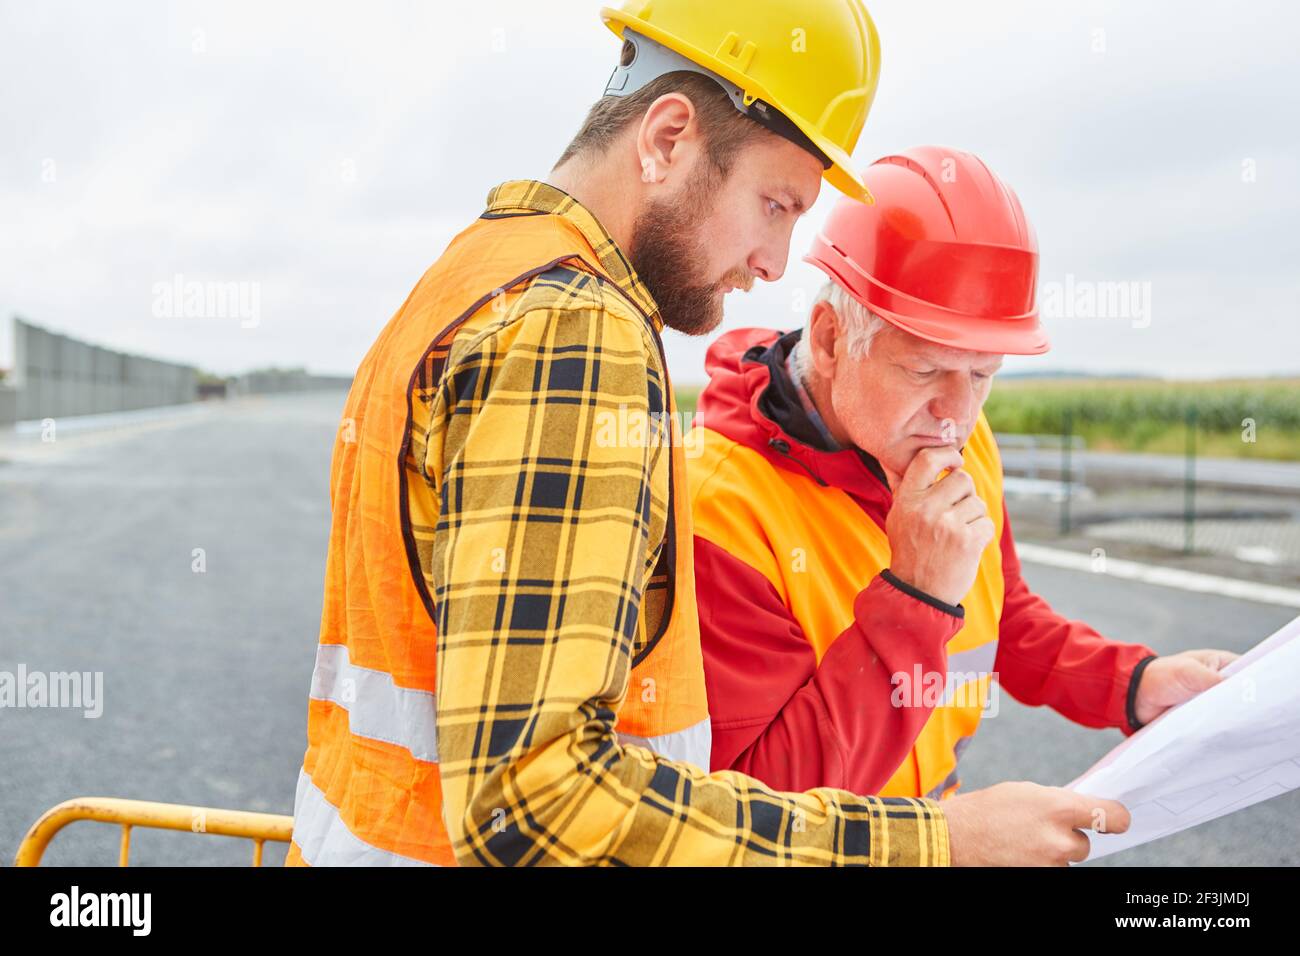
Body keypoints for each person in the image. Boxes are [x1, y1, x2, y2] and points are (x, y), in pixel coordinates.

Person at [287, 1, 1129, 867]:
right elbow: (536, 803)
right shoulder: (573, 331)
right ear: (667, 136)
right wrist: (934, 844)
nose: (774, 261)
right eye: (775, 203)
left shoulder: (473, 273)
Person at [686, 145, 1238, 860]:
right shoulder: (720, 507)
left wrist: (1132, 683)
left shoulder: (960, 446)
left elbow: (1003, 619)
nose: (955, 412)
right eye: (926, 367)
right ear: (829, 339)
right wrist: (915, 594)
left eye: (983, 374)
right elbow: (759, 812)